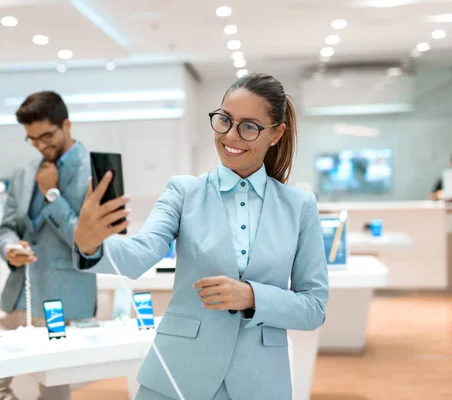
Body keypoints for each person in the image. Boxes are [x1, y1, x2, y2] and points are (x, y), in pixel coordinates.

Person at [73, 73, 329, 400]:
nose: (231, 136)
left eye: (248, 126)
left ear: (276, 133)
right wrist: (89, 244)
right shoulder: (183, 191)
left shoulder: (299, 206)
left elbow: (313, 307)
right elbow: (140, 253)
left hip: (259, 382)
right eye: (224, 120)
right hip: (178, 376)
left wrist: (252, 297)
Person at [0, 91, 95, 400]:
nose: (41, 145)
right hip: (16, 298)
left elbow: (88, 243)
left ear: (66, 125)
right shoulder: (24, 173)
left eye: (47, 136)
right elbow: (7, 228)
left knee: (54, 393)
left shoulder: (95, 172)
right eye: (32, 139)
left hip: (62, 302)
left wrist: (52, 194)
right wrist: (10, 249)